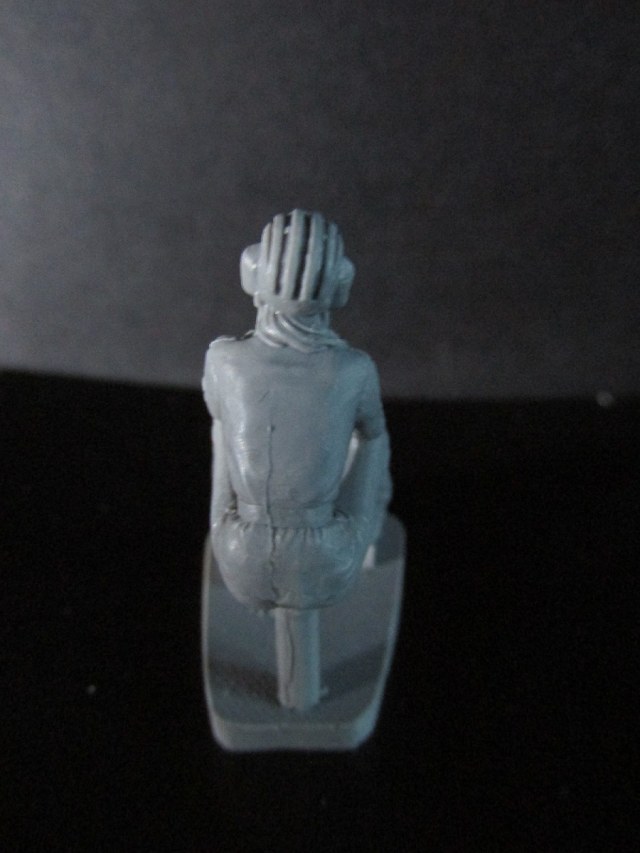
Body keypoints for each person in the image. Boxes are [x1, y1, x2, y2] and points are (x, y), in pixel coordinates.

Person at [202, 209, 391, 613]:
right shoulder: (355, 368)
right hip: (327, 560)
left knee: (221, 429)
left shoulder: (222, 359)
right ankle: (369, 535)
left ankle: (227, 538)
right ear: (339, 286)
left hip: (237, 557)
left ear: (252, 274)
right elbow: (372, 436)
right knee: (373, 440)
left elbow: (224, 435)